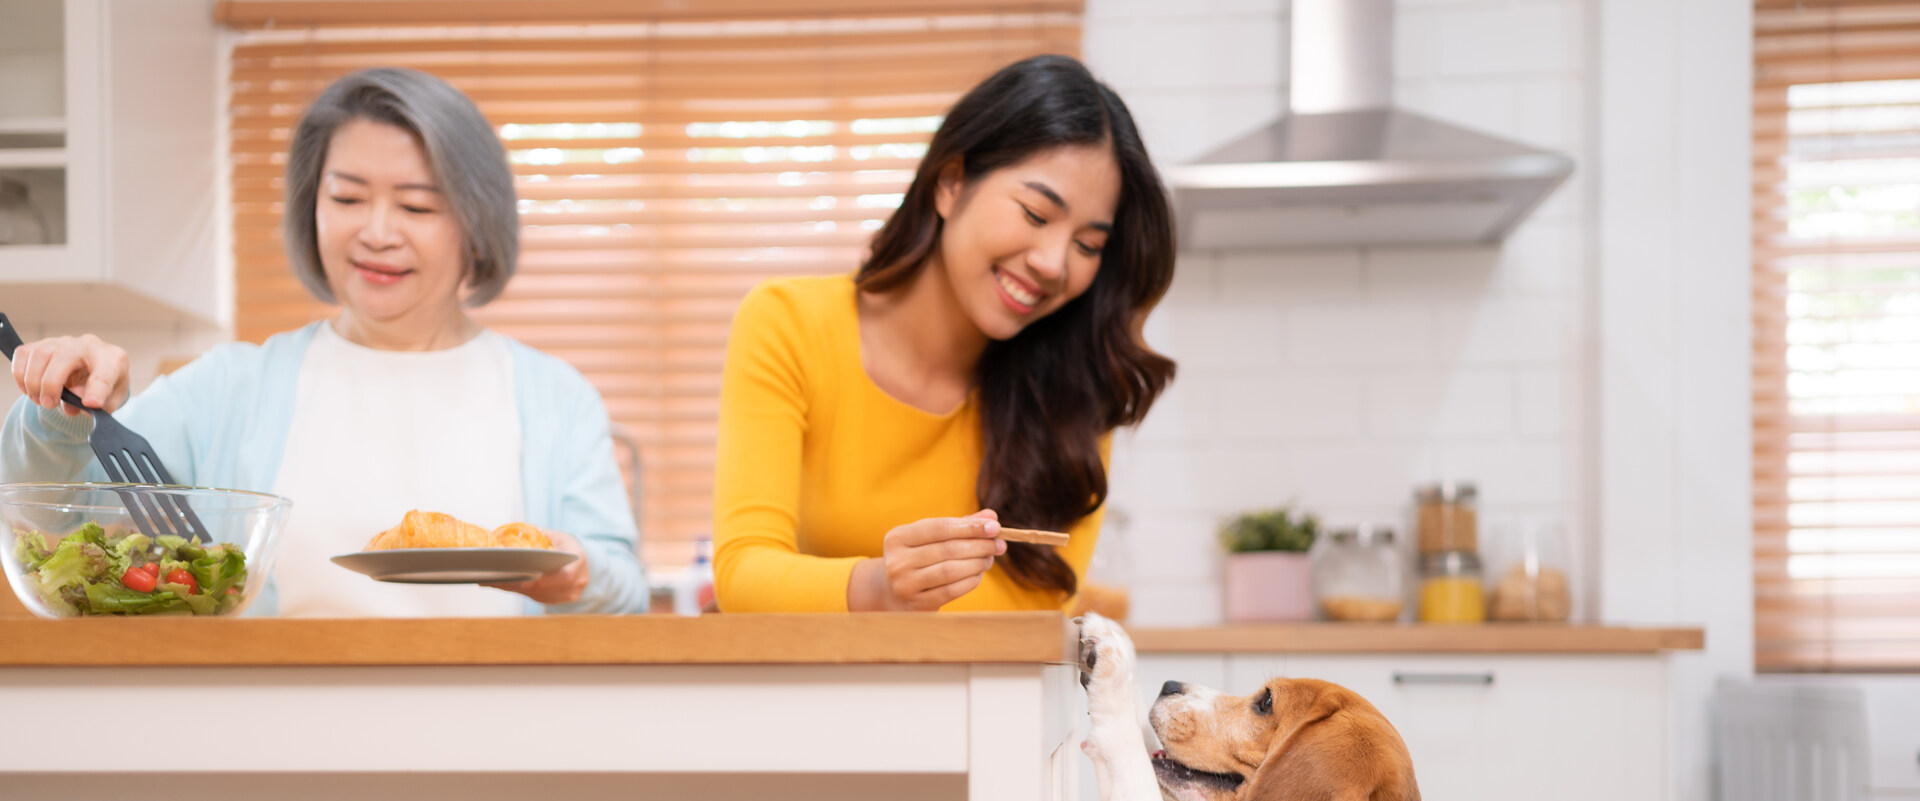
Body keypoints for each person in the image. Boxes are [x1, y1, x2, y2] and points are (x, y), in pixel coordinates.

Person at [2, 68, 645, 617]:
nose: (377, 232)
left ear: (477, 224)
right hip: (277, 739)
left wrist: (579, 574)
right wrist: (63, 410)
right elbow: (58, 520)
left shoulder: (555, 398)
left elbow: (626, 593)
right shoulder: (230, 389)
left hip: (500, 739)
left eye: (417, 207)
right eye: (347, 197)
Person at [712, 55, 1175, 613]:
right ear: (952, 183)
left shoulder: (1079, 391)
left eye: (1088, 245)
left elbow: (1035, 610)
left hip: (982, 702)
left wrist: (891, 599)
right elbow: (743, 572)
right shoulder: (788, 324)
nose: (1054, 263)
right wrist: (879, 588)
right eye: (1035, 213)